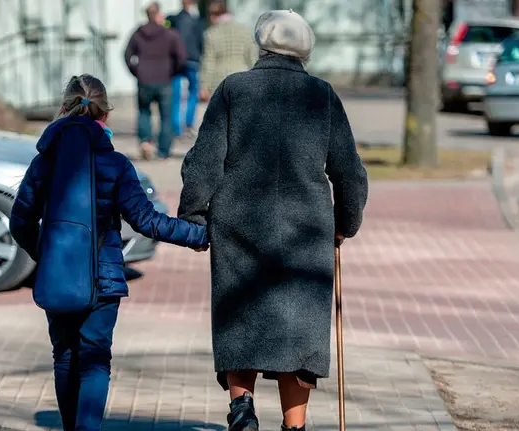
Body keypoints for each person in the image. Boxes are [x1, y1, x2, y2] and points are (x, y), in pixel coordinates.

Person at [177, 10, 368, 431]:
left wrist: (193, 216)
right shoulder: (322, 95)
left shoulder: (234, 89)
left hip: (239, 224)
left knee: (240, 317)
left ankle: (242, 410)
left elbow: (203, 163)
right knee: (298, 333)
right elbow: (349, 171)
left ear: (261, 44)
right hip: (306, 229)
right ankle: (294, 425)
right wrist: (344, 222)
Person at [10, 74, 208, 431]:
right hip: (104, 279)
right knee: (95, 360)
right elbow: (148, 221)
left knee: (64, 357)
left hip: (58, 278)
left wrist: (48, 255)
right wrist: (200, 235)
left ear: (64, 108)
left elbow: (20, 221)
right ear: (105, 115)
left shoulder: (45, 162)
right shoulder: (114, 164)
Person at [124, 2, 187, 160]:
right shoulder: (170, 34)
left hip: (144, 79)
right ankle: (163, 151)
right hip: (165, 79)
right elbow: (181, 57)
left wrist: (136, 71)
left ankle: (146, 142)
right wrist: (173, 71)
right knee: (166, 116)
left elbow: (126, 55)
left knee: (144, 111)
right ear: (159, 15)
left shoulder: (138, 33)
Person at [198, 0, 257, 102]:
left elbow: (209, 62)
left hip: (218, 81)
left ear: (213, 16)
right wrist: (256, 79)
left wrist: (204, 86)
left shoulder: (210, 34)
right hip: (241, 77)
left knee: (221, 116)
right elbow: (252, 56)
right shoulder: (244, 30)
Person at [167, 0, 205, 137]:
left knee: (176, 94)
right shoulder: (198, 21)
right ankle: (189, 124)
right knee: (193, 92)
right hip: (193, 60)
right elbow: (201, 41)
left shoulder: (173, 19)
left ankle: (176, 127)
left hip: (177, 61)